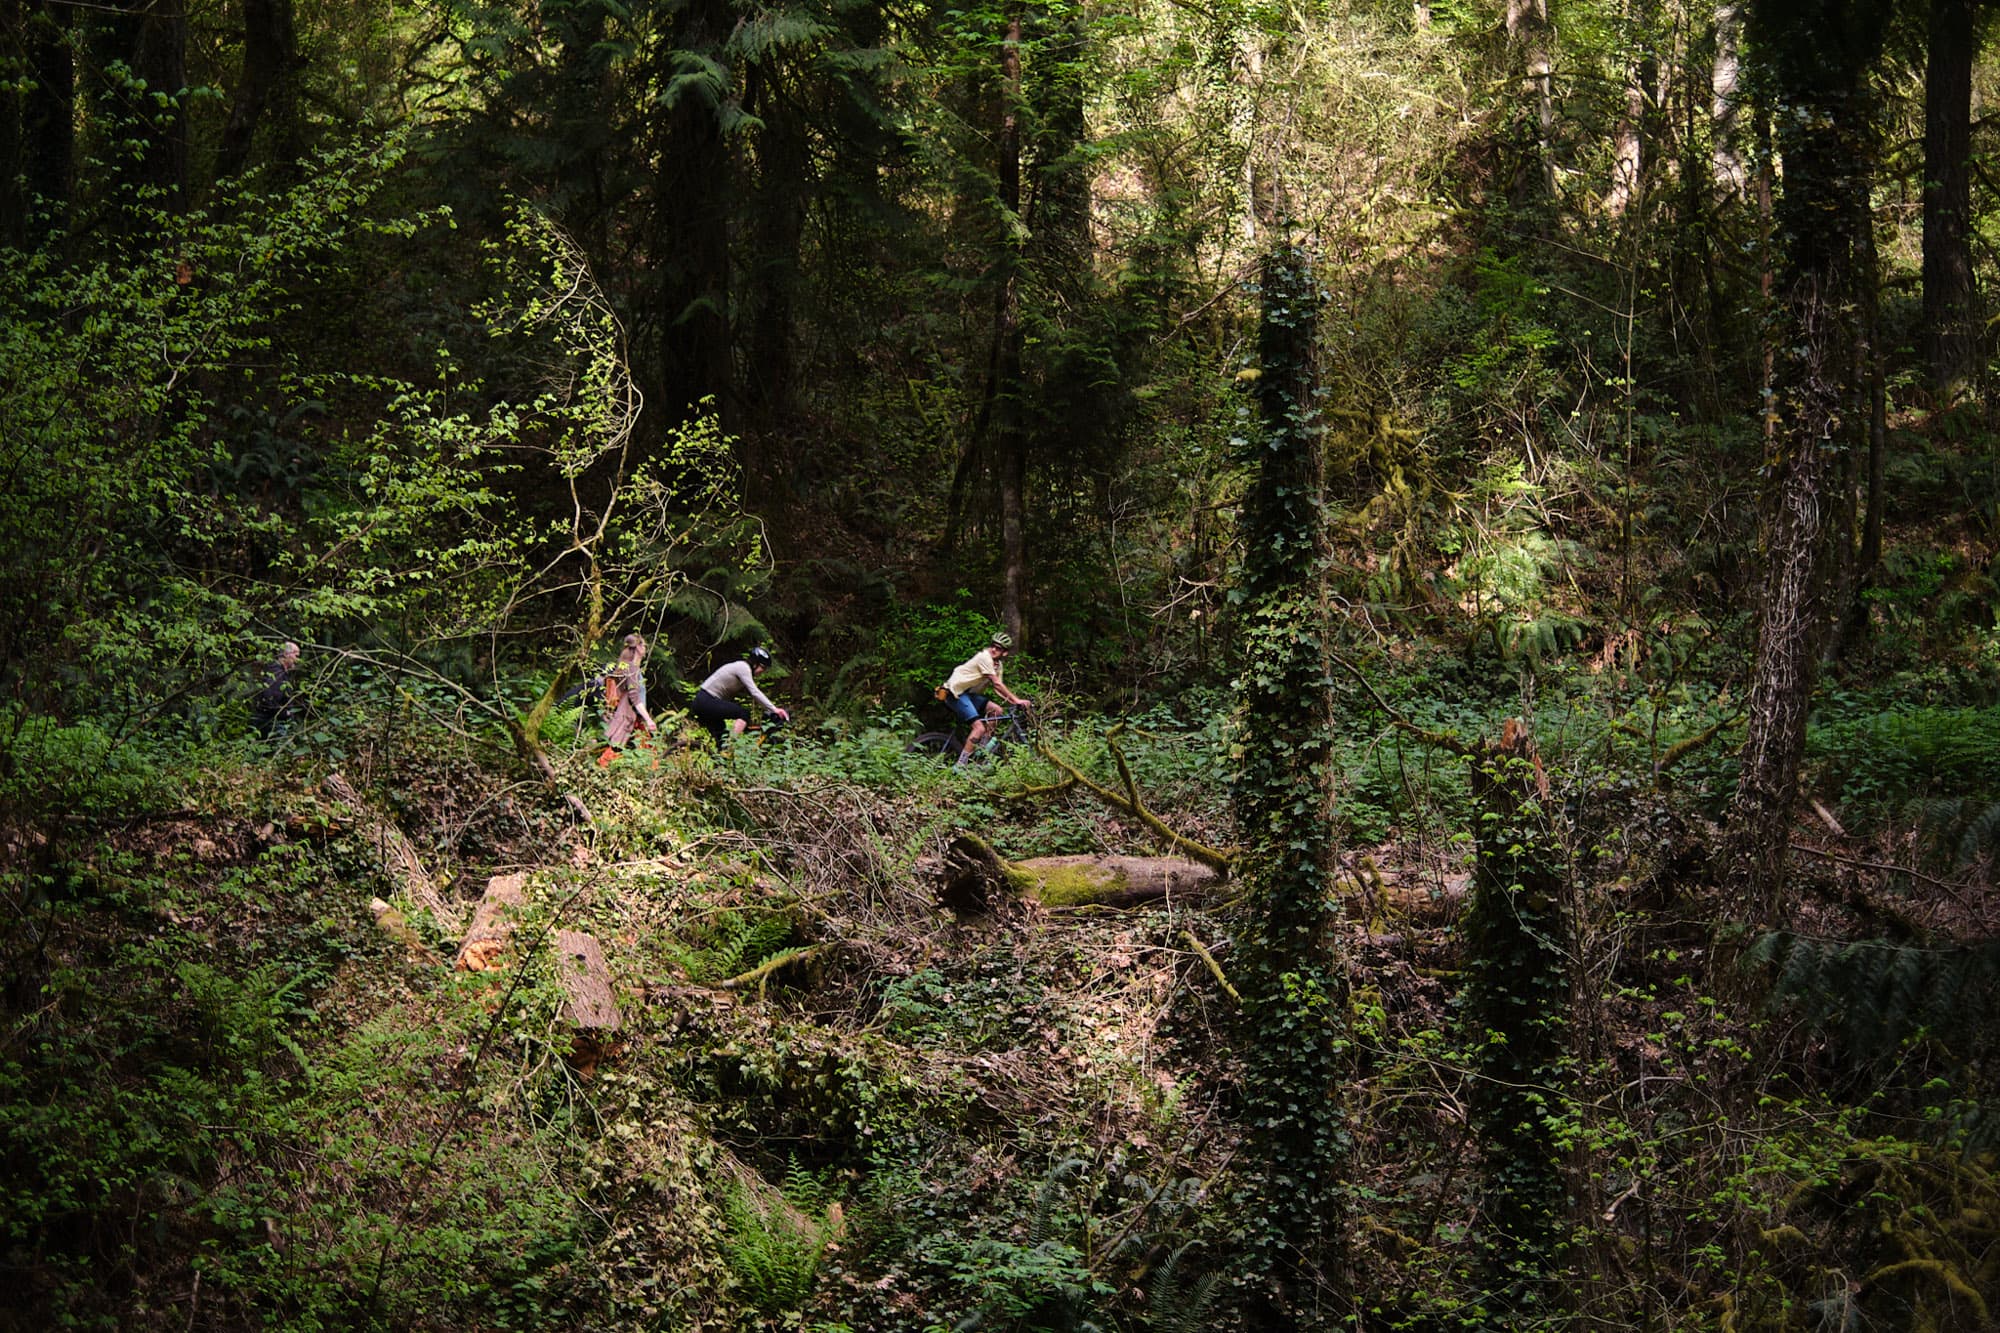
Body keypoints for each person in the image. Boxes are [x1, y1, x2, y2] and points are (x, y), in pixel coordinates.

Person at [942, 630, 1031, 765]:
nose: (994, 649)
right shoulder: (984, 657)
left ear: (1005, 653)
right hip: (954, 693)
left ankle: (982, 748)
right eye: (993, 646)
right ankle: (960, 765)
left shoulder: (998, 665)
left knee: (997, 711)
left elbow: (998, 688)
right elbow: (996, 682)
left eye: (998, 648)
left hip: (966, 694)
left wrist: (1013, 702)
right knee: (979, 728)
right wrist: (1017, 700)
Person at [691, 646, 790, 745]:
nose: (763, 671)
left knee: (722, 739)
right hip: (706, 700)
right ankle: (731, 747)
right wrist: (774, 709)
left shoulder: (742, 669)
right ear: (755, 664)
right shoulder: (743, 667)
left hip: (703, 702)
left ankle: (723, 755)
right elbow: (755, 692)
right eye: (762, 667)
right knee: (744, 714)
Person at [598, 633, 658, 767]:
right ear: (637, 647)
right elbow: (634, 697)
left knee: (648, 750)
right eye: (643, 644)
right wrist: (648, 719)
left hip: (635, 719)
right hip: (628, 717)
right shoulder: (632, 669)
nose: (645, 647)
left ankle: (649, 777)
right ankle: (600, 771)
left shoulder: (630, 667)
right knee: (615, 749)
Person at [251, 641, 302, 737]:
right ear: (286, 654)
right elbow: (269, 699)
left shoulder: (277, 672)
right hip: (271, 722)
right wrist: (285, 713)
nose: (298, 660)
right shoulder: (276, 673)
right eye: (296, 656)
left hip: (272, 720)